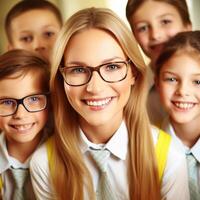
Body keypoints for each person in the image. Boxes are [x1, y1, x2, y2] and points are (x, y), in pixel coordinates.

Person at [30, 7, 189, 200]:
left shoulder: (170, 158)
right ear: (61, 80)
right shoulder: (44, 163)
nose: (95, 87)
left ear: (134, 74)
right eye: (78, 69)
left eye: (112, 67)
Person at [126, 0, 192, 126]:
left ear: (187, 26)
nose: (155, 35)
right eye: (143, 28)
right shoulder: (130, 92)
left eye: (165, 22)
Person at [155, 31, 200, 200]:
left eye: (198, 81)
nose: (183, 91)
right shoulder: (145, 145)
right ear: (157, 83)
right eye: (171, 79)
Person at [0, 49, 50, 199]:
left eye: (33, 99)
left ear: (51, 101)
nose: (20, 115)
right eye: (7, 102)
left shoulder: (65, 157)